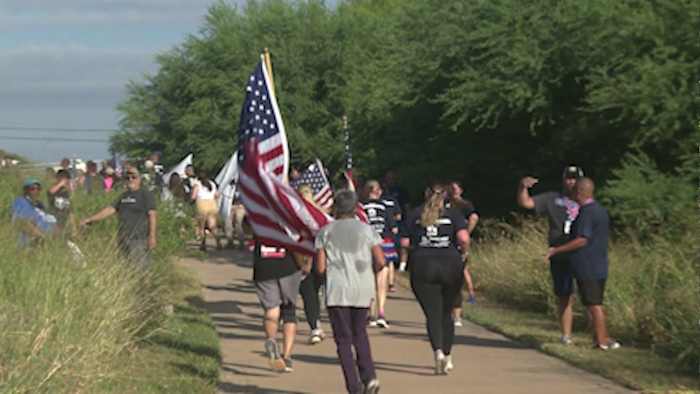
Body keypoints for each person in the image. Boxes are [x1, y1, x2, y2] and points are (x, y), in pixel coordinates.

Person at [316, 190, 384, 394]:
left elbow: (320, 268)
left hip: (337, 290)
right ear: (355, 208)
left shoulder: (325, 232)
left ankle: (353, 386)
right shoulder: (367, 230)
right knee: (360, 334)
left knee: (343, 340)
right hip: (362, 288)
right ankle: (370, 376)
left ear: (335, 207)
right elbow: (380, 260)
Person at [400, 183, 470, 375]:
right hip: (450, 265)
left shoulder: (415, 214)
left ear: (425, 195)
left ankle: (437, 351)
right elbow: (463, 238)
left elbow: (405, 242)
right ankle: (447, 356)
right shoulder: (454, 214)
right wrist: (464, 254)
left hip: (423, 265)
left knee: (432, 314)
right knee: (447, 313)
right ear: (445, 197)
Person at [547, 178, 620, 350]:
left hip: (588, 265)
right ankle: (600, 337)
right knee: (595, 302)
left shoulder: (586, 213)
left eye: (574, 192)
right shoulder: (601, 210)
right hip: (599, 263)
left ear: (579, 192)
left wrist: (557, 250)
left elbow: (582, 240)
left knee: (594, 305)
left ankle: (602, 341)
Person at [517, 165, 583, 345]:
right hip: (559, 252)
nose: (571, 182)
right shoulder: (553, 198)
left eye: (574, 178)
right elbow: (526, 203)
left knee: (589, 296)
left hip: (581, 253)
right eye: (568, 178)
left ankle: (597, 336)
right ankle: (566, 335)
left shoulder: (586, 201)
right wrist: (523, 187)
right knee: (564, 294)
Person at [80, 167, 157, 267]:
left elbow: (152, 215)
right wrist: (90, 219)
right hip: (123, 237)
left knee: (140, 268)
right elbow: (110, 210)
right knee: (126, 267)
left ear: (139, 179)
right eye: (127, 177)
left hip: (139, 238)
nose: (130, 180)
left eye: (134, 177)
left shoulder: (145, 194)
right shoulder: (123, 196)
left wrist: (152, 236)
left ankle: (144, 283)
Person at [253, 241, 305, 373]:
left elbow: (247, 228)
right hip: (289, 267)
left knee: (271, 309)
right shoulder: (290, 221)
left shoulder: (259, 220)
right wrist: (302, 264)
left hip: (263, 267)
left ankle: (271, 339)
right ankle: (286, 356)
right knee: (289, 311)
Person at [362, 180, 397, 328]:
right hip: (383, 242)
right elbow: (394, 228)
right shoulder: (385, 207)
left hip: (366, 244)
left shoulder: (361, 207)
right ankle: (381, 312)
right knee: (381, 280)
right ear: (378, 192)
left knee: (368, 279)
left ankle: (370, 313)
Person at [447, 181, 480, 327]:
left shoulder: (465, 205)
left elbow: (474, 217)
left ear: (461, 190)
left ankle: (470, 294)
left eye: (456, 189)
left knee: (461, 271)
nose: (453, 191)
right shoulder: (446, 204)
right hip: (446, 242)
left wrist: (466, 231)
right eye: (451, 189)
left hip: (460, 242)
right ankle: (450, 311)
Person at [297, 184, 327, 344]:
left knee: (308, 293)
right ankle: (316, 323)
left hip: (305, 255)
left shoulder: (299, 213)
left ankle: (315, 327)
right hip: (323, 256)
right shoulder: (321, 214)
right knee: (314, 291)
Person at [12, 178, 57, 246]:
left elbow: (50, 219)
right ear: (26, 190)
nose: (36, 191)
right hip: (32, 243)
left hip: (51, 242)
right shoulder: (20, 201)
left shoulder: (40, 205)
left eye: (38, 188)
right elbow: (22, 223)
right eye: (32, 188)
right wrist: (42, 237)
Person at [191, 171, 221, 251]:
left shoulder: (197, 184)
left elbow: (193, 196)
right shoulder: (212, 184)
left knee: (201, 227)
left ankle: (203, 244)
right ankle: (218, 242)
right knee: (212, 226)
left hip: (201, 205)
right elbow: (217, 195)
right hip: (212, 204)